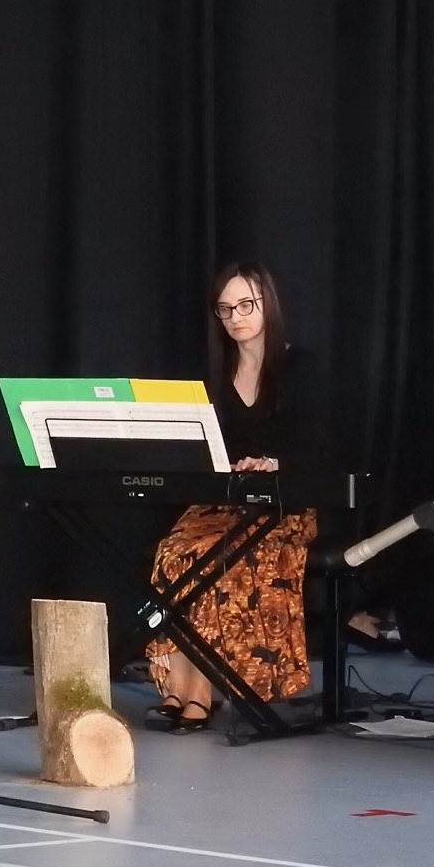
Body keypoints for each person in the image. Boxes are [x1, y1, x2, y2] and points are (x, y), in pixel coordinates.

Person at [144, 261, 322, 733]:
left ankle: (199, 693)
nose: (235, 317)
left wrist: (274, 463)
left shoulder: (301, 368)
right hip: (220, 502)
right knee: (174, 552)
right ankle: (177, 688)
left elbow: (320, 448)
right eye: (225, 309)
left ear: (268, 305)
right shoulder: (212, 374)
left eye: (246, 305)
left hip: (281, 505)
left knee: (215, 558)